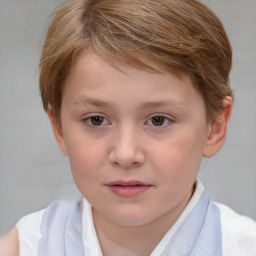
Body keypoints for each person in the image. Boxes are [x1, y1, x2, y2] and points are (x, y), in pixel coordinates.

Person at [1, 0, 256, 255]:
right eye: (96, 120)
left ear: (214, 126)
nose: (125, 154)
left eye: (158, 120)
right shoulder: (24, 247)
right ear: (59, 128)